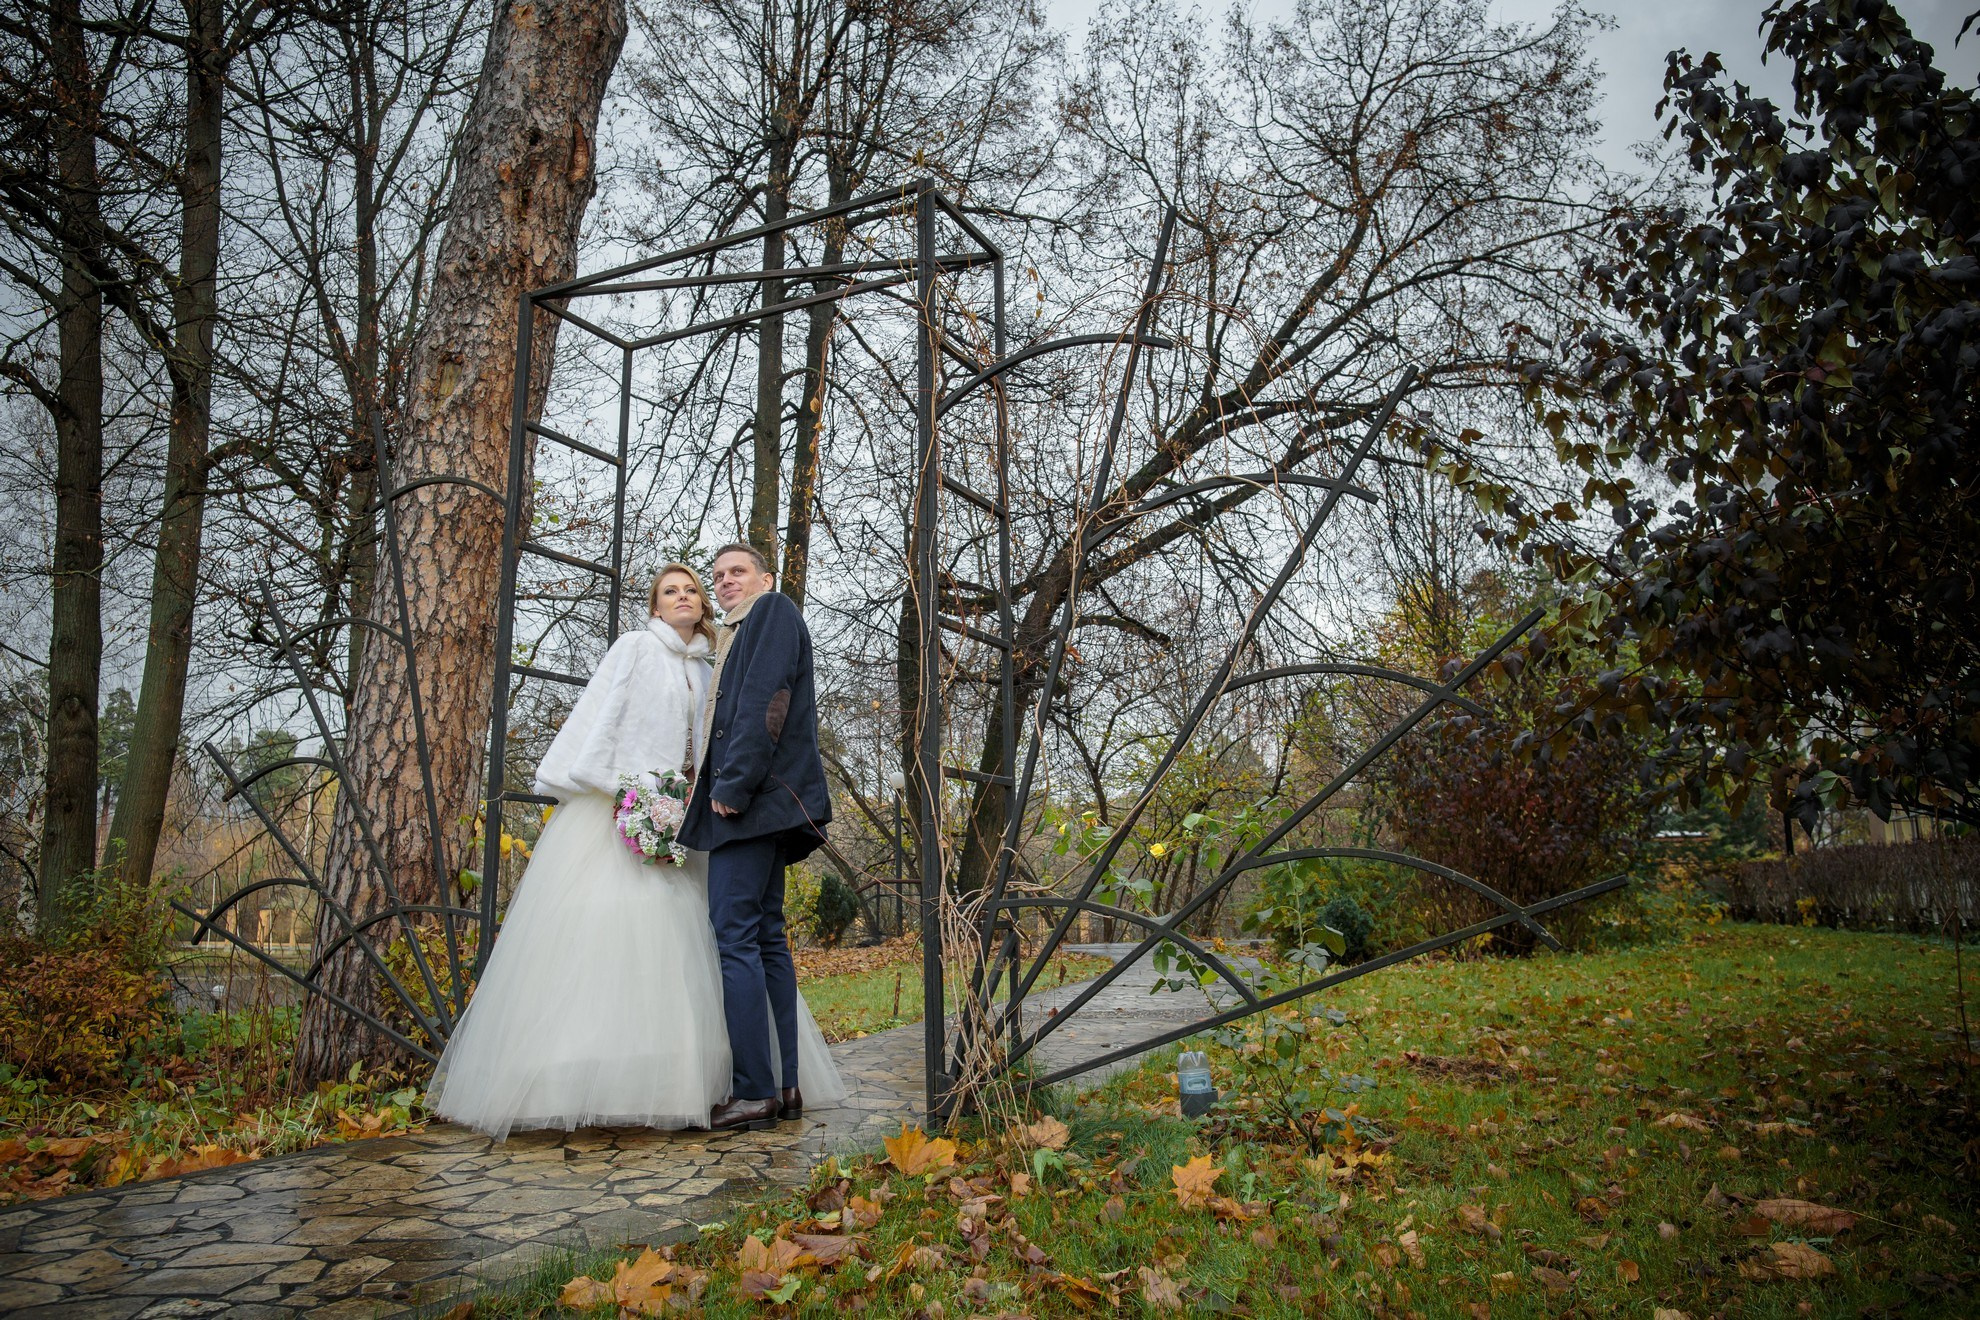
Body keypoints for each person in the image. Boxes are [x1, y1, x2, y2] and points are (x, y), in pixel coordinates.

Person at [426, 564, 843, 1139]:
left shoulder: (719, 654)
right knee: (625, 944)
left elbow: (747, 721)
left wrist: (714, 792)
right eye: (673, 589)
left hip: (708, 814)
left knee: (722, 943)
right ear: (654, 604)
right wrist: (620, 791)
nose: (691, 594)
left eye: (694, 587)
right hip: (635, 805)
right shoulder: (635, 648)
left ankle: (745, 1084)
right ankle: (606, 1076)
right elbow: (602, 719)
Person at [678, 544, 834, 1132]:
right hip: (764, 807)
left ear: (765, 577)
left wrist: (734, 784)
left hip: (749, 804)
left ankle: (752, 1090)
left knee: (734, 936)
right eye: (716, 576)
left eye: (736, 571)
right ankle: (785, 1085)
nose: (723, 583)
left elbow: (765, 701)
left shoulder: (771, 612)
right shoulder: (739, 633)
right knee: (767, 938)